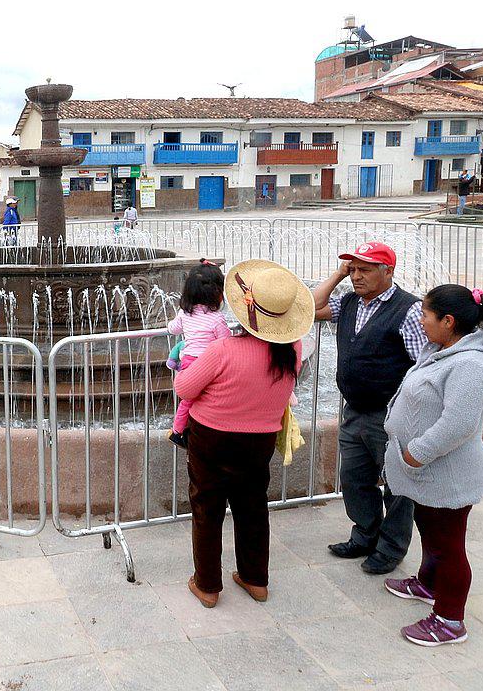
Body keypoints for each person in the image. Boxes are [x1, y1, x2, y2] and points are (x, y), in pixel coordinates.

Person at [175, 259, 313, 606]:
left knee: (207, 508)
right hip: (259, 441)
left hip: (211, 439)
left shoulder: (223, 350)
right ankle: (255, 579)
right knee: (252, 506)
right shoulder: (291, 351)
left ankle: (207, 586)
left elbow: (185, 388)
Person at [381, 284, 483, 647]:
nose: (420, 321)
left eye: (425, 315)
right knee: (431, 533)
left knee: (449, 546)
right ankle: (427, 583)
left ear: (448, 321)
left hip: (445, 473)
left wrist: (415, 453)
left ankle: (450, 620)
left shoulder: (469, 365)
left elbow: (459, 424)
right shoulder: (443, 350)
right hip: (426, 473)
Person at [312, 241, 427, 574]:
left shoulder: (407, 310)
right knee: (355, 478)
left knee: (397, 485)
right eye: (353, 270)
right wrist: (338, 274)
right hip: (355, 409)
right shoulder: (349, 302)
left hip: (390, 415)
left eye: (364, 270)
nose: (356, 277)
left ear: (387, 271)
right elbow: (309, 307)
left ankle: (391, 548)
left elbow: (423, 367)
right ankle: (365, 534)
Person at [167, 263, 232, 439]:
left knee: (187, 401)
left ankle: (177, 431)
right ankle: (193, 429)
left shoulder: (184, 313)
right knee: (208, 397)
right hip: (208, 365)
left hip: (187, 362)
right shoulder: (216, 319)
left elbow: (173, 329)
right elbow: (225, 342)